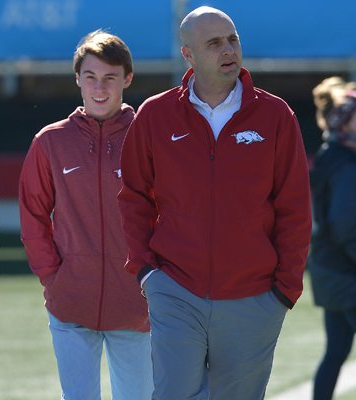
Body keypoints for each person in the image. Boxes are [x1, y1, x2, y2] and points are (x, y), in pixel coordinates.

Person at [118, 6, 312, 399]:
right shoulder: (155, 114)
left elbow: (294, 207)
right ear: (188, 55)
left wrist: (283, 290)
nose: (228, 50)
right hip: (174, 288)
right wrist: (147, 272)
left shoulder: (275, 115)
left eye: (232, 39)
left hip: (255, 296)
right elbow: (134, 197)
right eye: (214, 43)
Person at [18, 30, 153, 400]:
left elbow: (172, 214)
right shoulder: (50, 141)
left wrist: (155, 281)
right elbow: (32, 217)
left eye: (110, 77)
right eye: (90, 76)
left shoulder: (149, 137)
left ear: (127, 79)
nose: (100, 87)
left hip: (138, 309)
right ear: (77, 79)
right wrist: (54, 278)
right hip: (70, 306)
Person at [309, 77, 356, 400]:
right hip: (345, 273)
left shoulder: (329, 154)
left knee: (336, 351)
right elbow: (346, 226)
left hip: (329, 270)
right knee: (336, 352)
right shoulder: (345, 163)